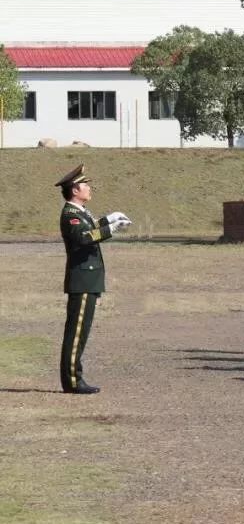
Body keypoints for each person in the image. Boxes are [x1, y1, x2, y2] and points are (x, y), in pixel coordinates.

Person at [55, 164, 132, 394]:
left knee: (81, 331)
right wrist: (112, 229)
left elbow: (91, 227)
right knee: (76, 332)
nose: (89, 188)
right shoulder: (70, 215)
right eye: (85, 185)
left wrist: (109, 219)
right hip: (82, 280)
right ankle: (72, 381)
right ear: (75, 190)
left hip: (88, 279)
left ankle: (74, 378)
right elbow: (84, 238)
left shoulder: (80, 212)